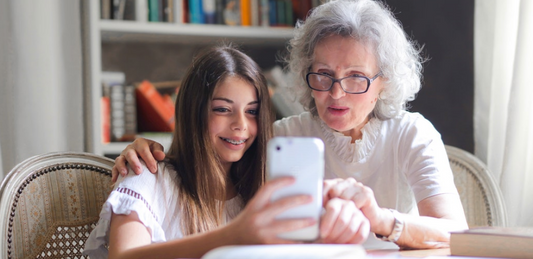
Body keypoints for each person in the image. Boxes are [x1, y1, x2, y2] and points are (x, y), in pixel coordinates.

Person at [112, 0, 468, 250]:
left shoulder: (412, 133)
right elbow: (209, 166)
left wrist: (380, 219)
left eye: (356, 77)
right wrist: (145, 149)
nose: (335, 93)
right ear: (305, 72)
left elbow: (455, 232)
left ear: (384, 82)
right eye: (323, 75)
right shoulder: (280, 137)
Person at [84, 46, 368, 259]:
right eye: (222, 109)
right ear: (193, 111)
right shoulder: (147, 176)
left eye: (252, 112)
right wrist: (233, 236)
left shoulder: (260, 190)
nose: (241, 126)